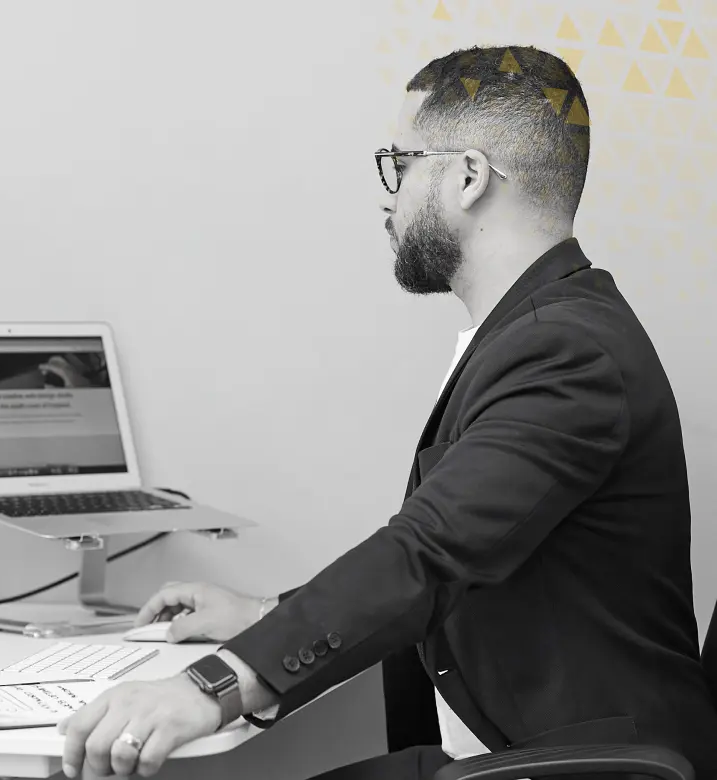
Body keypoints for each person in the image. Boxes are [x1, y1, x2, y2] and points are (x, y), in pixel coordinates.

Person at [57, 44, 717, 779]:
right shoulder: (538, 332)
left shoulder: (564, 353)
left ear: (466, 177)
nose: (386, 195)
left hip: (575, 764)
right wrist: (264, 613)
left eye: (399, 165)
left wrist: (209, 686)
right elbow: (461, 538)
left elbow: (427, 551)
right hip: (524, 747)